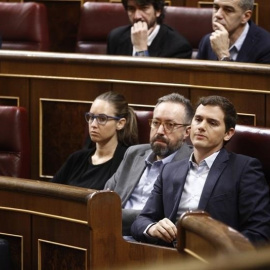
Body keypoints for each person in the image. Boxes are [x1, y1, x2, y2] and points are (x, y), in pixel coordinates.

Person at [131, 95, 270, 247]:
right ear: (189, 127)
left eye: (212, 123)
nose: (201, 127)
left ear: (228, 133)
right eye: (198, 119)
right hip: (167, 255)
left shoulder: (244, 169)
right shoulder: (169, 170)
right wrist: (152, 228)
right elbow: (141, 221)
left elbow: (259, 233)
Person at [105, 93, 194, 236]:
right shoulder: (133, 153)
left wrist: (112, 217)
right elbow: (105, 200)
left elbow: (166, 218)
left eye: (170, 125)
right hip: (108, 234)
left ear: (186, 132)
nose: (159, 131)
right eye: (156, 123)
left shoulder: (192, 162)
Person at [51, 91, 138, 189]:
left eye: (102, 118)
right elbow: (50, 193)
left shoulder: (127, 162)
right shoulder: (76, 159)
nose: (93, 124)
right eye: (91, 117)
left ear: (120, 123)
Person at [107, 0, 192, 58]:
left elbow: (151, 83)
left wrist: (141, 50)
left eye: (144, 8)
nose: (137, 16)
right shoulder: (116, 37)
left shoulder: (178, 47)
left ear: (158, 11)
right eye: (131, 9)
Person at [197, 0, 270, 64]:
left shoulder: (266, 47)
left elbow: (248, 80)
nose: (218, 15)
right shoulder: (207, 41)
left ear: (245, 16)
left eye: (228, 10)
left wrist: (223, 56)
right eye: (216, 7)